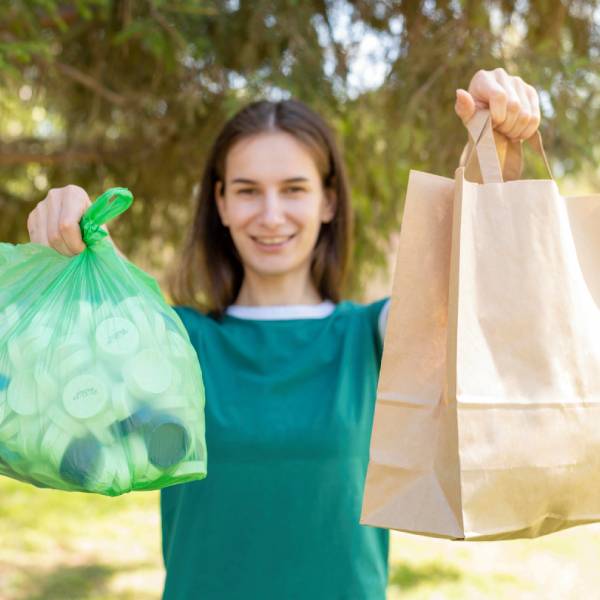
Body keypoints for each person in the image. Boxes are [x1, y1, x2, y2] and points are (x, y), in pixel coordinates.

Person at [27, 68, 540, 599]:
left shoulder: (371, 337)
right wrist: (66, 227)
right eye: (248, 191)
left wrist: (496, 146)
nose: (271, 216)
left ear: (328, 201)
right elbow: (59, 360)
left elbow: (477, 279)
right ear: (221, 203)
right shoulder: (178, 341)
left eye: (294, 189)